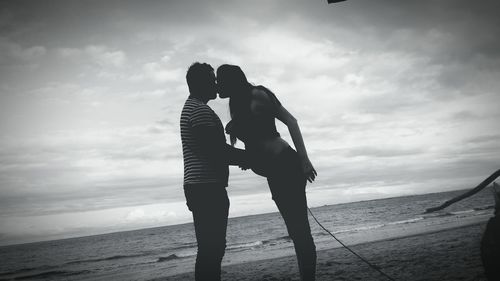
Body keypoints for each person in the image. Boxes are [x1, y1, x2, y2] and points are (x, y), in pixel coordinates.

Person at [216, 64, 318, 281]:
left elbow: (291, 121)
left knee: (300, 232)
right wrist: (249, 159)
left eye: (219, 80)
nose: (216, 85)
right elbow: (256, 143)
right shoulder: (237, 105)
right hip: (275, 173)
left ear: (231, 81)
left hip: (287, 166)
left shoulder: (258, 95)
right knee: (296, 232)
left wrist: (304, 160)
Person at [180, 62, 247, 281]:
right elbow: (216, 152)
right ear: (200, 84)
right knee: (212, 249)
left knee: (211, 248)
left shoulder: (195, 107)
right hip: (206, 187)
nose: (216, 84)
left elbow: (213, 150)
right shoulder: (198, 111)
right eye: (212, 79)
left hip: (201, 186)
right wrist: (251, 157)